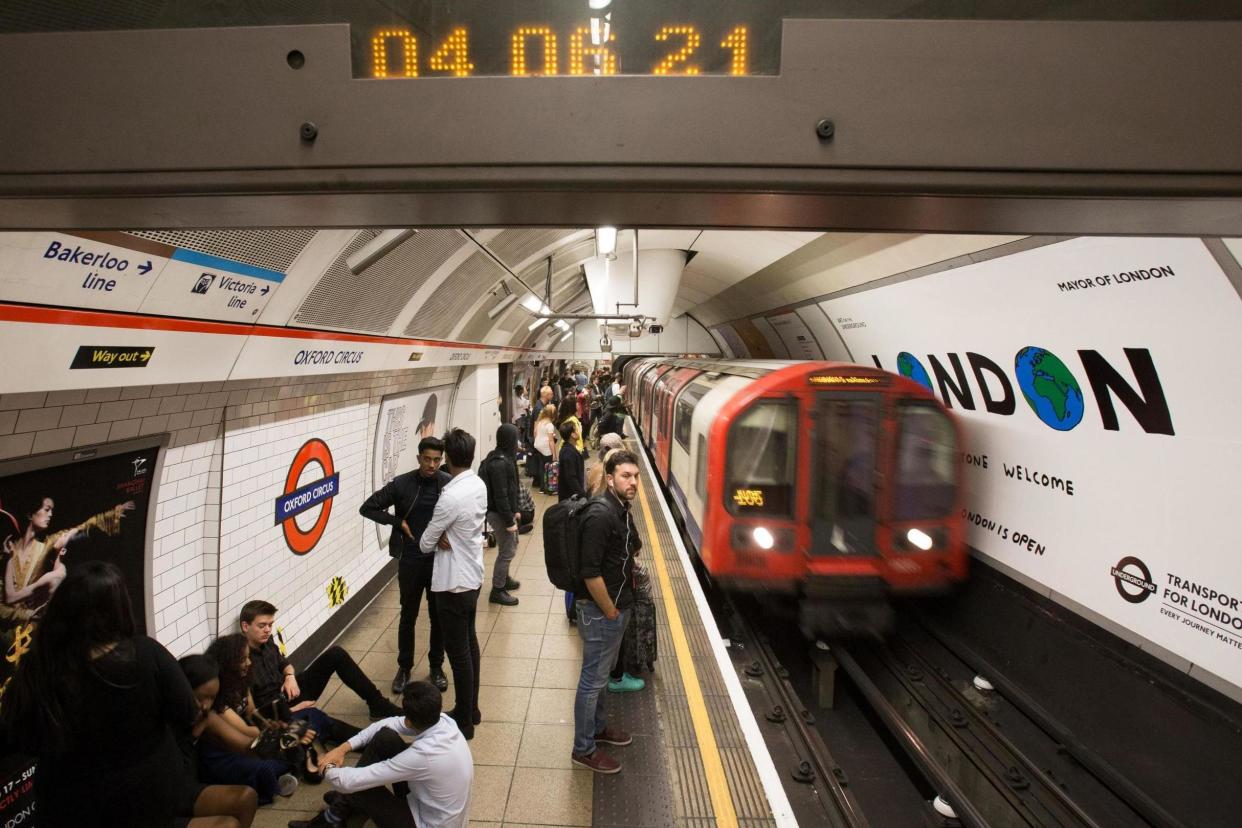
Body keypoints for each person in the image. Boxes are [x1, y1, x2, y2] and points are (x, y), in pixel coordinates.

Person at [0, 560, 248, 827]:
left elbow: (18, 738)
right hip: (145, 802)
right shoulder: (146, 655)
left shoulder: (39, 668)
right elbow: (187, 714)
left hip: (68, 807)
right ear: (119, 608)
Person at [288, 681, 473, 828]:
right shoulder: (445, 721)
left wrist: (324, 764)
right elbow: (385, 725)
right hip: (429, 804)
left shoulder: (424, 755)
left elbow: (349, 781)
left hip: (426, 823)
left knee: (361, 787)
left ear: (409, 719)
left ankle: (332, 817)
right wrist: (343, 748)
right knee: (385, 737)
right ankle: (342, 807)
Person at [360, 436, 451, 695]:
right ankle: (404, 667)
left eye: (436, 460)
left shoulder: (447, 484)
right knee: (408, 616)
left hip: (438, 562)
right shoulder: (402, 484)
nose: (432, 465)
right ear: (418, 458)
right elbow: (367, 507)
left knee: (438, 617)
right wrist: (396, 521)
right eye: (427, 459)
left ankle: (436, 667)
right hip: (411, 560)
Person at [571, 451, 642, 774]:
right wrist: (611, 611)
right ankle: (583, 748)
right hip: (601, 612)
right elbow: (590, 572)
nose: (633, 482)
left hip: (615, 607)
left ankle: (598, 729)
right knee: (591, 680)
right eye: (626, 476)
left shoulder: (619, 509)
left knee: (599, 679)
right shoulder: (601, 514)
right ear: (610, 478)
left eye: (636, 476)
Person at [239, 600, 400, 731]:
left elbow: (285, 664)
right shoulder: (241, 661)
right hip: (278, 711)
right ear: (245, 626)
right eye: (262, 626)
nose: (267, 630)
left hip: (290, 691)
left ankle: (377, 704)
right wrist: (294, 710)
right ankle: (371, 740)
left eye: (270, 625)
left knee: (335, 654)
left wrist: (289, 677)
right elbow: (256, 714)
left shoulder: (267, 644)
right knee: (325, 723)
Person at [421, 429, 487, 739]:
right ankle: (472, 707)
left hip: (451, 584)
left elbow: (424, 543)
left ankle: (463, 719)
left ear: (448, 457)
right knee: (470, 644)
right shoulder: (478, 484)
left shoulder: (450, 496)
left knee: (458, 652)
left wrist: (439, 536)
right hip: (473, 576)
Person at [197, 638, 307, 805]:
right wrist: (281, 734)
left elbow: (252, 713)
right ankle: (271, 782)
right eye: (243, 660)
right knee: (268, 763)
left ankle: (281, 774)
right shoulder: (217, 698)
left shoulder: (242, 680)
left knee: (294, 739)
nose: (249, 663)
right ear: (228, 663)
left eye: (248, 657)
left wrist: (276, 724)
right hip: (225, 751)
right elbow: (246, 733)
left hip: (244, 741)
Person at [1, 495, 135, 622]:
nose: (51, 515)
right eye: (47, 509)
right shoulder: (9, 547)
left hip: (27, 632)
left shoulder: (48, 548)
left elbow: (80, 528)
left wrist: (112, 515)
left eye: (52, 511)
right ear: (30, 514)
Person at [479, 424, 522, 607]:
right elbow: (500, 495)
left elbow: (511, 487)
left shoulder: (503, 457)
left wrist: (516, 509)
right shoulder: (499, 463)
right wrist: (509, 520)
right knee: (507, 550)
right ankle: (498, 589)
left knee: (511, 544)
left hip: (503, 511)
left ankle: (504, 578)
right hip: (498, 513)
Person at [531, 403, 560, 494]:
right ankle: (549, 488)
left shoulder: (540, 422)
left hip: (538, 446)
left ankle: (542, 488)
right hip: (545, 448)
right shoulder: (549, 425)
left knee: (542, 467)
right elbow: (551, 441)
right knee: (549, 468)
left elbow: (535, 433)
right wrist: (554, 454)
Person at [557, 421, 587, 502]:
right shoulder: (568, 453)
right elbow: (571, 477)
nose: (579, 432)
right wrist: (582, 494)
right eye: (576, 430)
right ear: (572, 434)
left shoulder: (570, 449)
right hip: (570, 498)